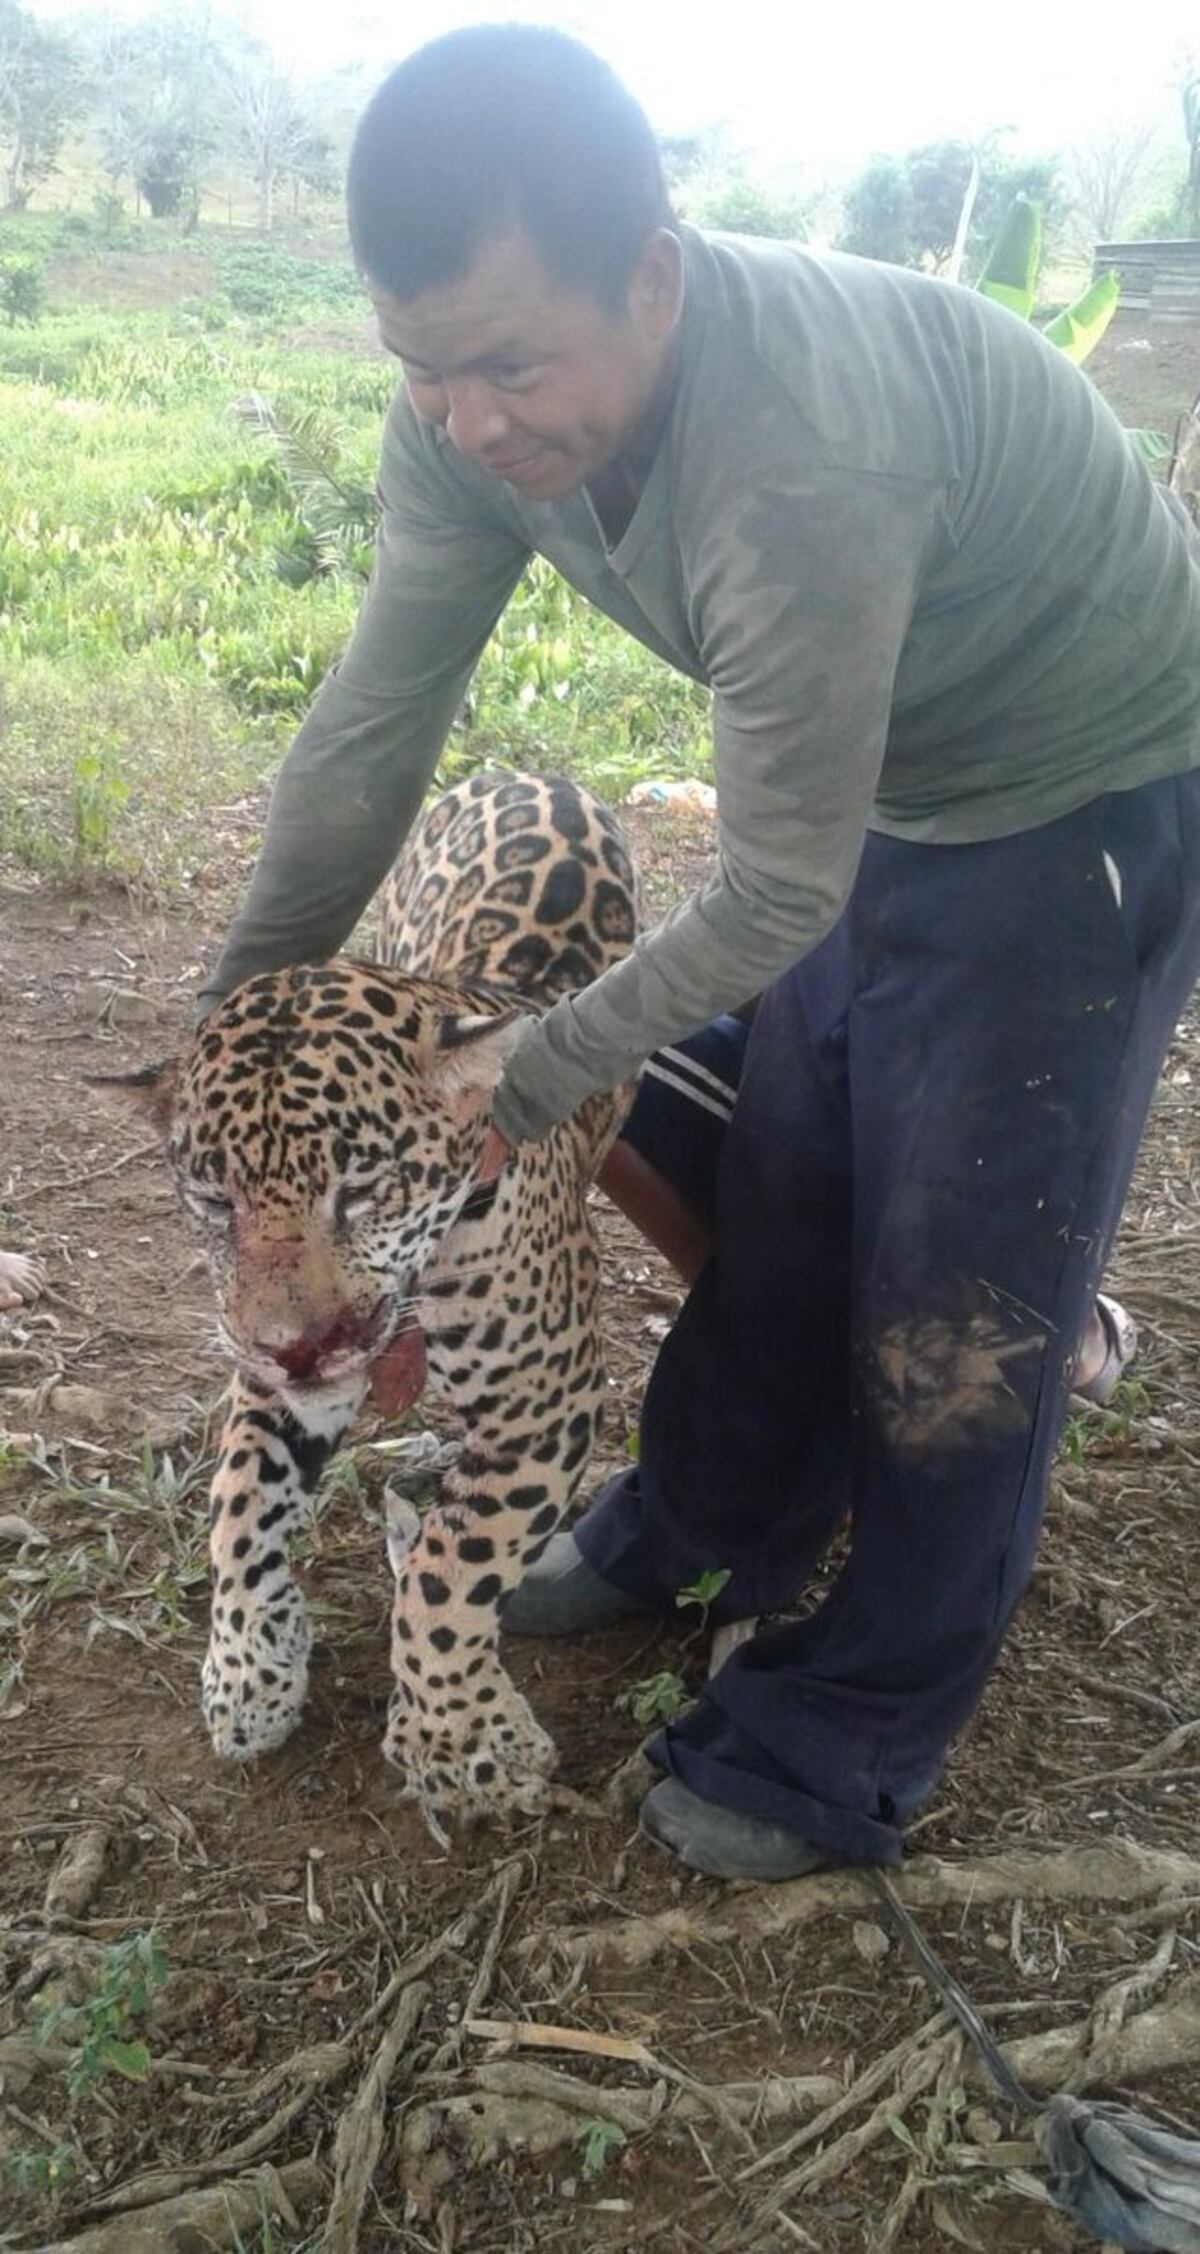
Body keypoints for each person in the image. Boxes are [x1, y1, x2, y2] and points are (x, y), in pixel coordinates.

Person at [199, 24, 1200, 1879]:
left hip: (1082, 786)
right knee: (800, 1183)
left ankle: (848, 1739)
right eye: (425, 368)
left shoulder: (796, 461)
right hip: (888, 758)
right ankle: (702, 1508)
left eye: (513, 361)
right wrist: (226, 1032)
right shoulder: (462, 421)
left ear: (651, 278)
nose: (472, 418)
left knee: (949, 1306)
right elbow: (368, 733)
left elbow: (773, 893)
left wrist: (545, 1067)